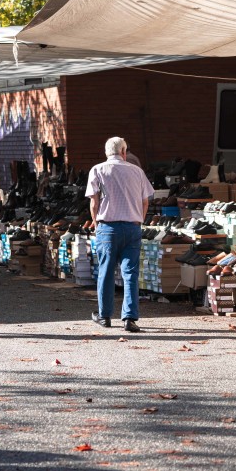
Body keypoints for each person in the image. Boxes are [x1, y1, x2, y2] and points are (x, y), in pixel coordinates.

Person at [86, 136, 154, 333]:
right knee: (130, 272)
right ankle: (130, 318)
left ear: (106, 152)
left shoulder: (98, 170)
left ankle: (104, 315)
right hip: (133, 226)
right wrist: (138, 220)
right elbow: (145, 201)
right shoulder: (137, 171)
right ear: (124, 152)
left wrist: (97, 222)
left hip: (108, 227)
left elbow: (94, 203)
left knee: (106, 272)